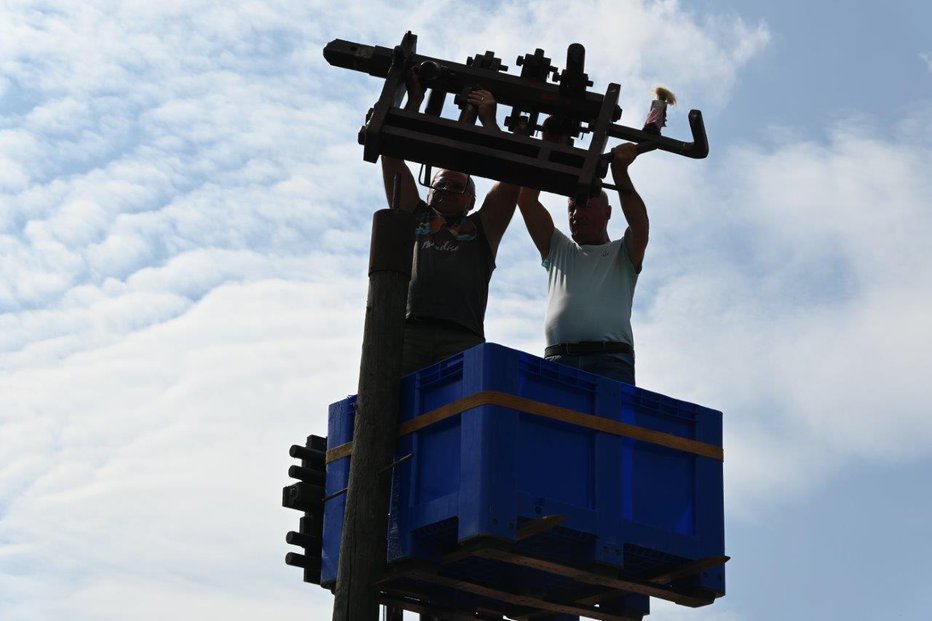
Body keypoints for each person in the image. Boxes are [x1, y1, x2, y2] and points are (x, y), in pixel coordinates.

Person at [381, 75, 519, 375]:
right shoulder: (414, 215)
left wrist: (489, 124)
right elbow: (391, 156)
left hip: (462, 336)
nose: (445, 192)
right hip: (410, 332)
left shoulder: (483, 228)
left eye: (456, 188)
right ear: (428, 191)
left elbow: (512, 179)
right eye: (440, 186)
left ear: (471, 200)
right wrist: (416, 102)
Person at [517, 123, 648, 385]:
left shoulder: (622, 252)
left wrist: (619, 172)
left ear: (607, 213)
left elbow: (640, 223)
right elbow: (526, 201)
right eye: (571, 208)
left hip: (610, 362)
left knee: (608, 427)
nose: (576, 215)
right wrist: (549, 148)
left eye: (585, 205)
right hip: (557, 361)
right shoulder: (558, 248)